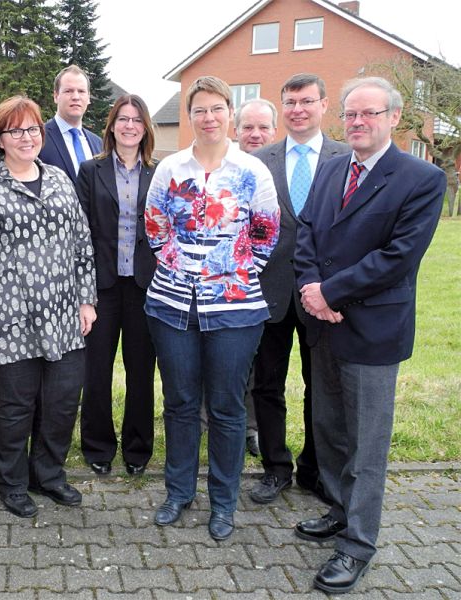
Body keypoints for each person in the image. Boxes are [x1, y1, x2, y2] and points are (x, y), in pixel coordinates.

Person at [294, 76, 444, 593]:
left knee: (368, 444)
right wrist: (312, 289)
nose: (358, 123)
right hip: (324, 327)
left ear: (394, 118)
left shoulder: (421, 178)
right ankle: (338, 510)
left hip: (373, 331)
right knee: (331, 430)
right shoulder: (332, 168)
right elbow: (308, 231)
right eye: (351, 115)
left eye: (369, 114)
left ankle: (358, 546)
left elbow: (398, 256)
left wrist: (329, 292)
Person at [0, 96, 97, 519]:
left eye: (32, 129)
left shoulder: (60, 180)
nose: (26, 137)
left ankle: (47, 475)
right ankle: (11, 483)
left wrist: (87, 299)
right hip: (5, 322)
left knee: (62, 402)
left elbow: (82, 244)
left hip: (63, 317)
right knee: (14, 408)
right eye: (16, 131)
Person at [144, 76, 279, 539]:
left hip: (236, 308)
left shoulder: (252, 171)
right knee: (180, 404)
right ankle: (179, 492)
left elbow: (266, 231)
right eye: (199, 110)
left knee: (226, 408)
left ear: (230, 113)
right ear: (190, 116)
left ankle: (223, 502)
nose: (209, 118)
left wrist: (231, 272)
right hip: (172, 304)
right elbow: (156, 225)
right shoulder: (171, 168)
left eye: (217, 109)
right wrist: (184, 269)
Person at [249, 74, 349, 505]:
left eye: (307, 101)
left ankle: (316, 468)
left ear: (324, 105)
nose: (297, 109)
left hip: (324, 295)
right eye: (290, 102)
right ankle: (275, 468)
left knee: (321, 387)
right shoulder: (260, 159)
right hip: (268, 291)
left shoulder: (346, 157)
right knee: (266, 385)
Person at [76, 94, 158, 477]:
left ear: (146, 128)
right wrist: (84, 293)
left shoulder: (160, 172)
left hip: (145, 285)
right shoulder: (91, 171)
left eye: (136, 120)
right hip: (102, 287)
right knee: (97, 371)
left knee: (141, 370)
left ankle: (138, 449)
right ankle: (97, 446)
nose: (129, 126)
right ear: (111, 126)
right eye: (122, 119)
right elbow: (80, 234)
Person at [231, 96, 279, 457]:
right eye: (248, 126)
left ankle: (251, 427)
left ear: (274, 131)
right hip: (225, 282)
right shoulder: (223, 165)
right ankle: (209, 419)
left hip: (274, 280)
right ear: (237, 130)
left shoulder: (280, 166)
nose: (255, 134)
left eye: (263, 127)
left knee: (260, 365)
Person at [38, 65, 103, 181]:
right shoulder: (39, 138)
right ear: (56, 96)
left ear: (88, 98)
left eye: (81, 91)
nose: (76, 97)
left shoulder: (99, 144)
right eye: (69, 91)